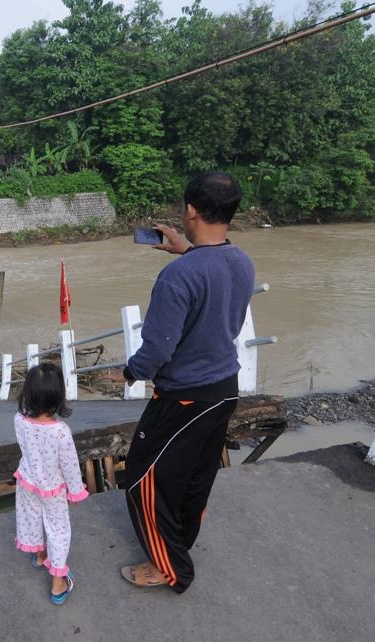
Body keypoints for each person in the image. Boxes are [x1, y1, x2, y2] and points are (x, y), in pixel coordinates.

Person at [106, 171, 255, 594]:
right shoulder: (241, 260)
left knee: (142, 478)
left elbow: (158, 349)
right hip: (224, 388)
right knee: (195, 473)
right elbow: (213, 277)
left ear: (190, 211)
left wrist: (130, 372)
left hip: (184, 396)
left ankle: (171, 569)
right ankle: (186, 530)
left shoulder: (178, 277)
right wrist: (185, 250)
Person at [13, 363, 90, 605]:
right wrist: (75, 492)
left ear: (28, 392)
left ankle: (39, 555)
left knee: (31, 519)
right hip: (53, 489)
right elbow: (69, 466)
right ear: (59, 396)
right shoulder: (60, 431)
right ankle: (57, 583)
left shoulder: (19, 420)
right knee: (58, 531)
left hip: (27, 482)